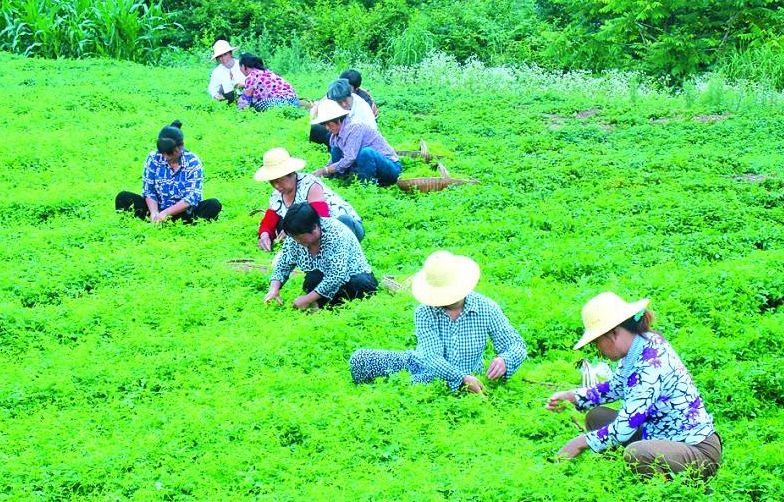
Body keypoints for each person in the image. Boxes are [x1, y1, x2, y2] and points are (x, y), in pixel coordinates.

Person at [546, 292, 721, 480]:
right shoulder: (637, 347)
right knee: (597, 417)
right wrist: (573, 397)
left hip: (696, 451)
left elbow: (624, 426)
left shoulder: (651, 363)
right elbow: (616, 387)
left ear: (612, 334)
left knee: (637, 453)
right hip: (658, 435)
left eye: (597, 341)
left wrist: (579, 443)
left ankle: (668, 489)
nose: (598, 348)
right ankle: (628, 475)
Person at [349, 251, 528, 393]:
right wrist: (462, 378)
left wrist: (505, 360)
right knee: (360, 359)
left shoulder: (486, 308)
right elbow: (431, 358)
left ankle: (403, 386)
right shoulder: (425, 312)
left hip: (462, 374)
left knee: (415, 385)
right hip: (422, 366)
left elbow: (516, 345)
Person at [264, 202, 377, 310]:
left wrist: (306, 299)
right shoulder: (295, 237)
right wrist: (274, 289)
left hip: (353, 279)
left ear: (314, 228)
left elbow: (336, 276)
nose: (296, 241)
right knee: (313, 279)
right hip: (322, 282)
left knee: (360, 284)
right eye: (294, 237)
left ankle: (323, 305)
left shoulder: (337, 233)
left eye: (300, 237)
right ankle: (319, 306)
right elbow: (284, 263)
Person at [254, 147, 364, 251]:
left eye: (279, 181)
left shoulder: (310, 184)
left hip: (342, 225)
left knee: (343, 222)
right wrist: (265, 234)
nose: (276, 186)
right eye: (272, 182)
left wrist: (291, 233)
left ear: (290, 174)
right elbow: (270, 218)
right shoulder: (276, 195)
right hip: (309, 233)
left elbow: (320, 218)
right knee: (282, 223)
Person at [115, 121, 222, 223]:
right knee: (123, 197)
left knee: (213, 205)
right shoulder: (153, 158)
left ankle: (179, 224)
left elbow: (192, 196)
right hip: (157, 208)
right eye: (163, 153)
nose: (166, 157)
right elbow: (149, 190)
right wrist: (154, 213)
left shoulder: (193, 162)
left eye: (170, 153)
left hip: (184, 212)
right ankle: (153, 221)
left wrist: (166, 214)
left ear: (181, 147)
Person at [311, 100, 402, 186]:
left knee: (366, 153)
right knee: (336, 150)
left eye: (330, 124)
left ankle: (365, 185)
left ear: (338, 120)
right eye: (325, 125)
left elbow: (349, 158)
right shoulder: (335, 135)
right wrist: (324, 170)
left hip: (389, 167)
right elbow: (334, 159)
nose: (327, 128)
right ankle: (339, 180)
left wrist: (325, 170)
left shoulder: (355, 128)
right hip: (364, 165)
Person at [309, 78, 377, 149]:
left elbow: (370, 136)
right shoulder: (333, 98)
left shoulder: (362, 109)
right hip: (340, 133)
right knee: (315, 128)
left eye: (345, 100)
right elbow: (318, 106)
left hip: (358, 143)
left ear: (350, 94)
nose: (344, 104)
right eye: (340, 102)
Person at [207, 40, 244, 104]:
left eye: (225, 54)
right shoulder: (217, 72)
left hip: (248, 96)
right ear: (217, 58)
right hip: (229, 100)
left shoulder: (242, 65)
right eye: (220, 56)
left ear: (230, 53)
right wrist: (216, 96)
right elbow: (212, 88)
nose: (223, 58)